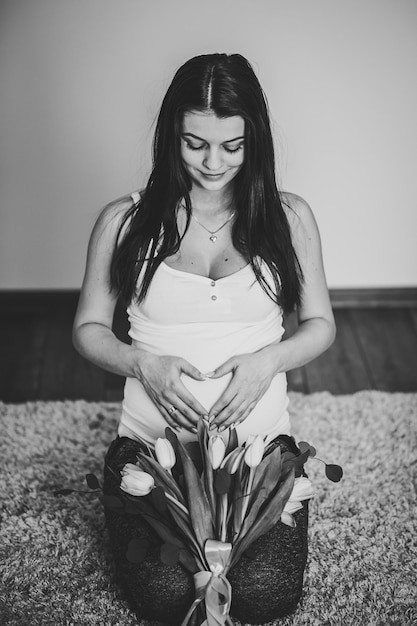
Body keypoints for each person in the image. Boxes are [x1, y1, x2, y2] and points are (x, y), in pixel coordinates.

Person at [73, 53, 335, 624]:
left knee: (266, 595)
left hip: (258, 449)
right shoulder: (125, 221)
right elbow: (88, 330)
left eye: (232, 147)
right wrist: (142, 364)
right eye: (196, 144)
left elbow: (320, 325)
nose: (213, 162)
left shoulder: (289, 218)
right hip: (155, 450)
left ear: (254, 142)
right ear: (172, 135)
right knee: (166, 598)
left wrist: (269, 361)